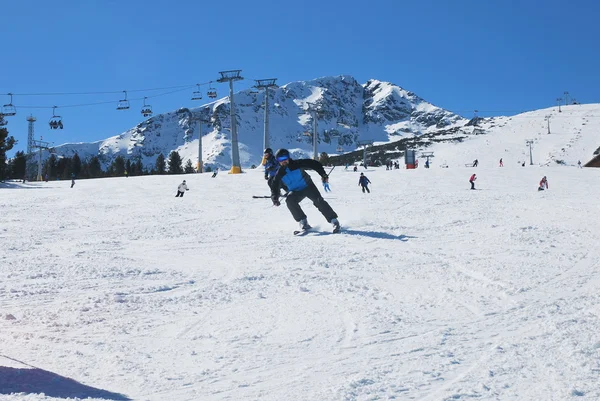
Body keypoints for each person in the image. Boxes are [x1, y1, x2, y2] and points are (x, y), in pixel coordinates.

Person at [270, 149, 340, 233]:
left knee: (318, 201)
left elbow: (314, 164)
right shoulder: (280, 173)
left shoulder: (297, 164)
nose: (283, 161)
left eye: (285, 158)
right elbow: (274, 186)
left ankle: (334, 221)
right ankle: (303, 222)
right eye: (280, 160)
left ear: (288, 157)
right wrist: (275, 198)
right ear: (278, 161)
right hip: (296, 191)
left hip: (308, 186)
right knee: (289, 200)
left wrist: (323, 174)